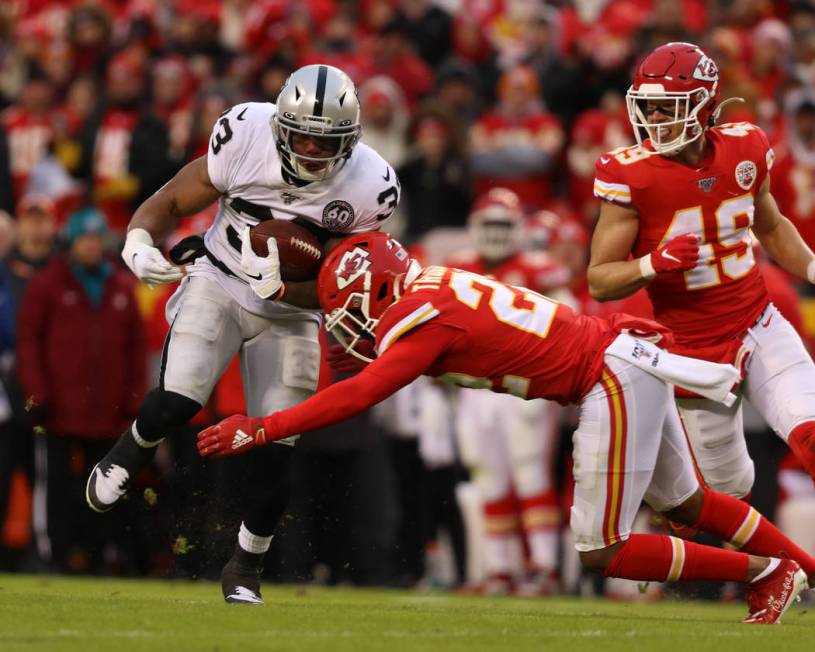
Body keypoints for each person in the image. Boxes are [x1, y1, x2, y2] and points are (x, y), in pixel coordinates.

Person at [198, 232, 815, 624]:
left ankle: (766, 572)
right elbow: (355, 358)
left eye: (347, 308)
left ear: (377, 289)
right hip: (623, 359)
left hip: (609, 377)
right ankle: (801, 570)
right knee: (687, 504)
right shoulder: (433, 283)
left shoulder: (422, 317)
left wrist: (262, 428)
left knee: (605, 549)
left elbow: (361, 391)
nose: (344, 321)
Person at [84, 64, 400, 603]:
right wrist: (138, 239)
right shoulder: (246, 131)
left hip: (294, 311)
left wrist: (286, 290)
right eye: (300, 135)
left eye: (326, 143)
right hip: (221, 278)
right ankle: (131, 447)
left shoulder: (372, 187)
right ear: (279, 125)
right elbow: (177, 196)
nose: (310, 150)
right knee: (181, 398)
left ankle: (246, 565)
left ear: (350, 141)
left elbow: (345, 286)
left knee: (277, 442)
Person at [588, 42, 815, 502]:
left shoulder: (745, 147)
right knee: (730, 487)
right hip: (692, 351)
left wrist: (811, 265)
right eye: (648, 107)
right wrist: (653, 263)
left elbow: (770, 226)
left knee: (811, 432)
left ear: (704, 104)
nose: (654, 119)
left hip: (758, 321)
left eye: (667, 107)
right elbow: (599, 279)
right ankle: (758, 570)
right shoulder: (632, 176)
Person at [446, 188, 572, 594]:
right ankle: (501, 569)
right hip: (473, 388)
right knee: (489, 476)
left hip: (524, 386)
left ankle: (543, 568)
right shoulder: (458, 267)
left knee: (530, 472)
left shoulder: (539, 270)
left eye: (504, 224)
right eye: (490, 224)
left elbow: (570, 324)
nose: (496, 234)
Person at [17, 208, 146, 571]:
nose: (91, 246)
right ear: (71, 242)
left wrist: (135, 398)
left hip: (106, 409)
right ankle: (52, 555)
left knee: (104, 489)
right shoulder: (48, 283)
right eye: (84, 239)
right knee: (54, 487)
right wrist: (36, 393)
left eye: (96, 239)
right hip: (58, 407)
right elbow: (29, 341)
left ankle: (98, 554)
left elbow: (136, 348)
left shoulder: (120, 285)